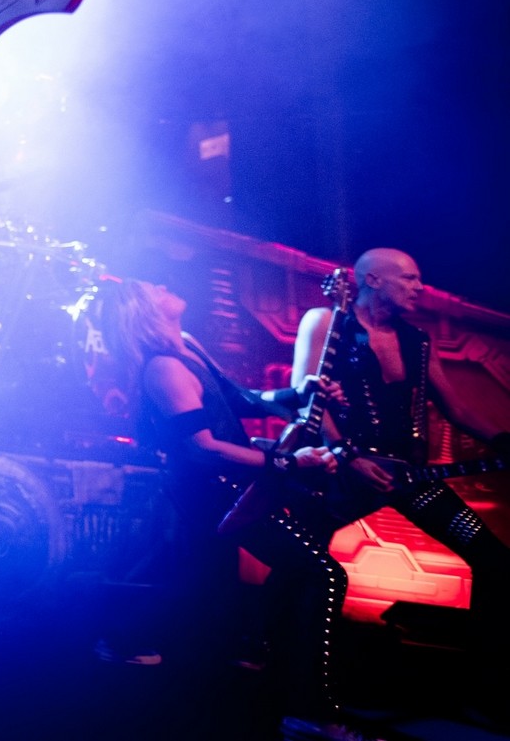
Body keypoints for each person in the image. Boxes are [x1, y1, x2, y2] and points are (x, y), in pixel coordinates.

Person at [94, 277, 387, 741]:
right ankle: (308, 710)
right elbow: (203, 448)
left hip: (230, 489)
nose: (162, 283)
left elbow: (242, 399)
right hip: (211, 495)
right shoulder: (163, 370)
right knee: (321, 573)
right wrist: (287, 462)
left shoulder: (186, 343)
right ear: (142, 309)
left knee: (207, 584)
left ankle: (135, 639)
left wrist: (298, 393)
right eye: (152, 287)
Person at [292, 249, 510, 694]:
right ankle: (291, 671)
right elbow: (304, 397)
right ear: (373, 280)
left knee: (493, 559)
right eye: (410, 278)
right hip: (339, 472)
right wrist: (347, 456)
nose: (419, 287)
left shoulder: (417, 340)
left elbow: (456, 408)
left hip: (407, 478)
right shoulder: (327, 321)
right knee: (304, 567)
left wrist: (503, 440)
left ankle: (485, 686)